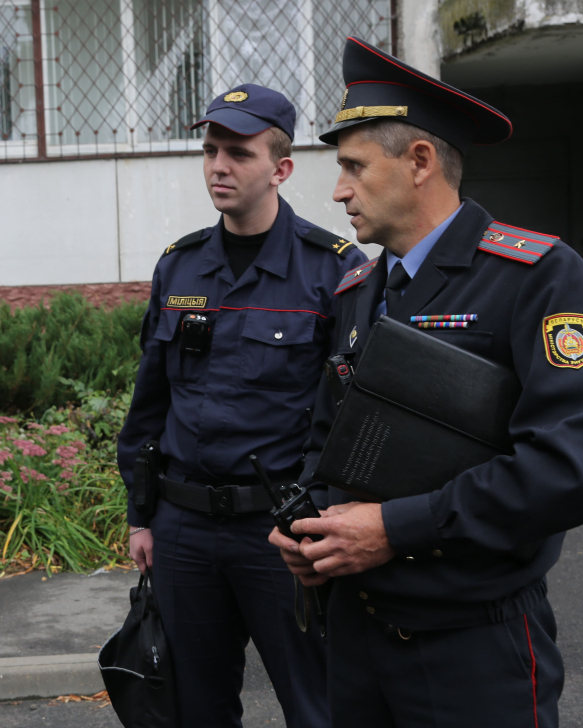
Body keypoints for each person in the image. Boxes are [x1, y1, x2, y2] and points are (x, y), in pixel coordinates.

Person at [270, 36, 583, 728]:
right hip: (356, 643)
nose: (338, 190)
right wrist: (308, 525)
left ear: (421, 162)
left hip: (471, 650)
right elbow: (328, 442)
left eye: (352, 166)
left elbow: (579, 464)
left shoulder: (536, 276)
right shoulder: (359, 289)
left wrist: (395, 529)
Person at [117, 83, 368, 727]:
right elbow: (149, 405)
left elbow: (349, 419)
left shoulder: (332, 270)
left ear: (280, 168)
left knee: (317, 707)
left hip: (283, 533)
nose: (218, 167)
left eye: (238, 152)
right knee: (194, 710)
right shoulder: (179, 267)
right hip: (184, 532)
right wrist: (141, 516)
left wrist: (325, 519)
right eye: (209, 150)